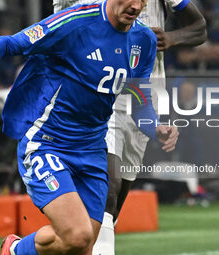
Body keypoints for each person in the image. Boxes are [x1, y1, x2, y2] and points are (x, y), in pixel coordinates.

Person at [0, 0, 176, 254]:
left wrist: (156, 128)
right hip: (48, 144)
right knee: (78, 235)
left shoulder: (143, 40)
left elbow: (140, 98)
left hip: (92, 152)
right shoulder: (75, 22)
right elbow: (15, 42)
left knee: (80, 245)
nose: (136, 5)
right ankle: (15, 250)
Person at [54, 0, 206, 254]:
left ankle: (27, 248)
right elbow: (59, 33)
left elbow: (199, 27)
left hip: (144, 97)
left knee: (115, 201)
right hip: (101, 92)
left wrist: (171, 37)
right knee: (108, 184)